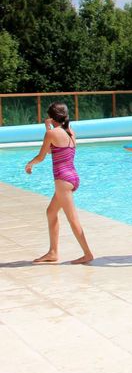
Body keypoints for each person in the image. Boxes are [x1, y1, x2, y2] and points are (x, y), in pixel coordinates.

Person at [23, 103, 94, 264]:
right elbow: (51, 149)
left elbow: (42, 156)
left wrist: (30, 164)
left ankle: (87, 253)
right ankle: (53, 252)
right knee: (51, 212)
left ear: (51, 116)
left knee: (72, 219)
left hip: (63, 180)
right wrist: (49, 127)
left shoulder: (52, 133)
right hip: (73, 178)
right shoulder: (70, 132)